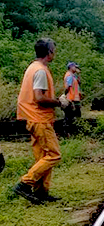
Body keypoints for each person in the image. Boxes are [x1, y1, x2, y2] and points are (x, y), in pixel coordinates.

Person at [14, 38, 68, 204]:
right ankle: (24, 183)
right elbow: (39, 98)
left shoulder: (33, 67)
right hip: (39, 119)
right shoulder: (41, 71)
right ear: (49, 52)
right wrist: (59, 102)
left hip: (31, 118)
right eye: (53, 49)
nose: (55, 52)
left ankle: (41, 193)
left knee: (42, 157)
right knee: (53, 155)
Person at [63, 62, 82, 128]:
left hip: (75, 98)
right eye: (75, 67)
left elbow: (79, 83)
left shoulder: (73, 76)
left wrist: (78, 74)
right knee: (72, 115)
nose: (76, 68)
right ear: (71, 67)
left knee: (75, 115)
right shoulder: (69, 76)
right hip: (72, 98)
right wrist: (66, 95)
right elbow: (68, 87)